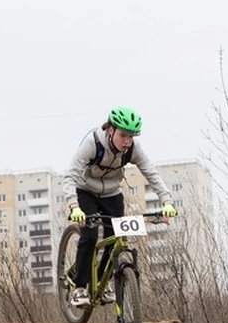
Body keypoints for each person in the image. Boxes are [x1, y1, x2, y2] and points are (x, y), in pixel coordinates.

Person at [62, 106, 178, 307]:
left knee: (115, 240)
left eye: (131, 137)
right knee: (89, 236)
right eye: (123, 135)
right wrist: (74, 207)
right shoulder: (92, 144)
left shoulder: (132, 149)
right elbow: (70, 176)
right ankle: (79, 287)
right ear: (110, 130)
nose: (127, 142)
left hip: (112, 194)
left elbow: (150, 172)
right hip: (85, 192)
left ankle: (100, 282)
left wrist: (167, 201)